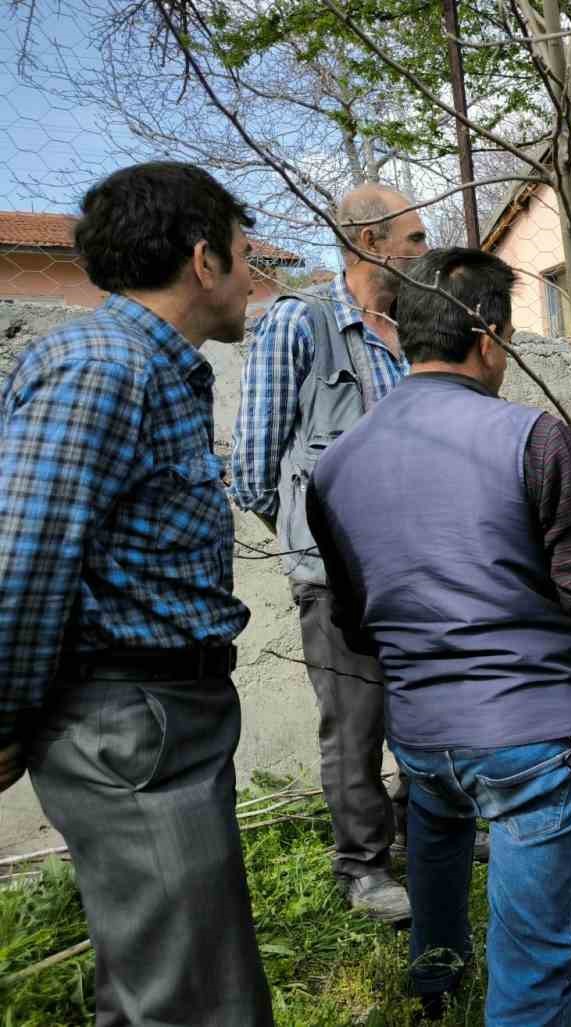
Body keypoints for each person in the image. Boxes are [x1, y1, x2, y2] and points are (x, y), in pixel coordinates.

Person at [305, 247, 571, 1023]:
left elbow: (355, 622)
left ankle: (436, 987)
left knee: (438, 837)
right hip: (527, 735)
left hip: (422, 734)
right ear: (490, 336)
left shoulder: (336, 466)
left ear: (400, 337)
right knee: (533, 972)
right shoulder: (533, 437)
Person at [0, 162, 273, 1025]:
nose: (253, 275)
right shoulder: (99, 366)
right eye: (244, 253)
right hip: (128, 727)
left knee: (182, 982)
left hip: (166, 722)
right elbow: (22, 563)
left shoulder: (157, 368)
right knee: (189, 1004)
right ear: (203, 261)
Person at [229, 182, 446, 924]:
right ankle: (362, 864)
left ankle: (429, 835)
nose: (426, 250)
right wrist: (311, 540)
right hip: (336, 575)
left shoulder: (412, 331)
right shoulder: (301, 324)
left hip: (418, 569)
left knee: (426, 706)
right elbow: (254, 470)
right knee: (354, 723)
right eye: (415, 238)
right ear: (369, 241)